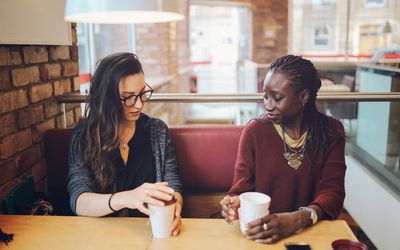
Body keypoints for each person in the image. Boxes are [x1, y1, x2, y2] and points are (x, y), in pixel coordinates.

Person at [220, 55, 346, 243]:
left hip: (312, 235)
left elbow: (333, 194)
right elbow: (240, 190)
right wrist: (235, 203)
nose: (268, 105)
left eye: (277, 98)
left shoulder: (331, 131)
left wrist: (298, 219)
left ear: (303, 96)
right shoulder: (255, 132)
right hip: (261, 236)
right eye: (265, 96)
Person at [68, 52, 183, 236]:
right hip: (102, 237)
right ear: (107, 98)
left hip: (149, 234)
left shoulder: (157, 131)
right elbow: (79, 201)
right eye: (128, 97)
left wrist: (175, 207)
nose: (139, 105)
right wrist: (127, 198)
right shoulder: (85, 135)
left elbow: (173, 183)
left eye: (142, 93)